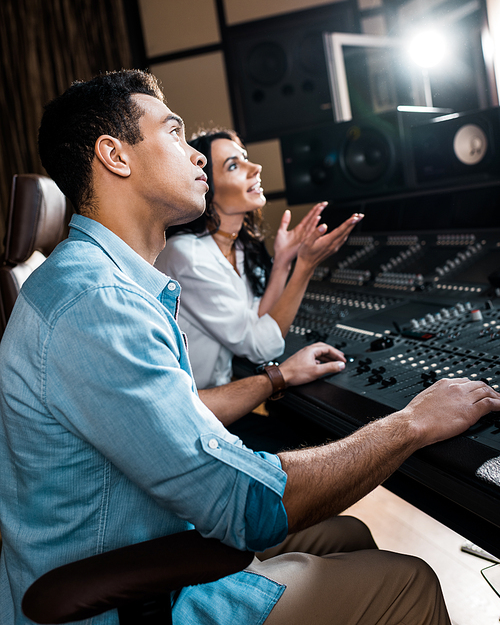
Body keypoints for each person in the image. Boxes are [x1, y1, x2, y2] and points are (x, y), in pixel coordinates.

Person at [0, 70, 499, 625]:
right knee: (410, 583)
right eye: (174, 133)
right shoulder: (96, 302)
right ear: (115, 156)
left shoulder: (102, 283)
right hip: (124, 603)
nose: (196, 157)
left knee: (350, 532)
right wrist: (410, 424)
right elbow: (244, 508)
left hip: (147, 547)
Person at [155, 128, 363, 390]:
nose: (255, 167)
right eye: (233, 165)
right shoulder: (187, 255)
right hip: (196, 408)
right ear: (206, 187)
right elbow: (261, 347)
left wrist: (284, 262)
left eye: (245, 157)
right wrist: (305, 267)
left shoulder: (237, 246)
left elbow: (255, 319)